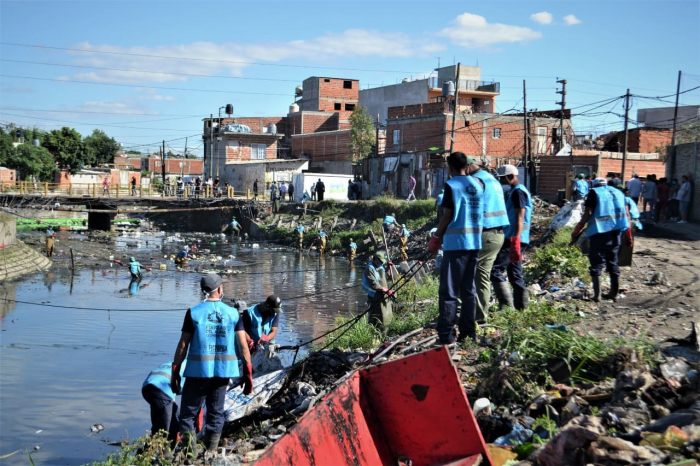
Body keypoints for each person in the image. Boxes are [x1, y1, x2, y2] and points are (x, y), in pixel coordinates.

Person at [171, 274, 253, 454]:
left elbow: (183, 345)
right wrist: (248, 374)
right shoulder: (233, 313)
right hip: (223, 373)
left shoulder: (193, 312)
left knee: (187, 416)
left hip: (197, 373)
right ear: (220, 289)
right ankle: (211, 453)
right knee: (216, 413)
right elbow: (243, 346)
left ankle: (189, 455)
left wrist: (175, 371)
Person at [428, 152, 484, 344]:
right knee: (469, 290)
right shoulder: (479, 184)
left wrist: (436, 238)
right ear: (467, 166)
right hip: (475, 243)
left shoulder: (451, 186)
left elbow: (448, 216)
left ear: (449, 168)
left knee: (449, 292)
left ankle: (446, 336)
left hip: (456, 244)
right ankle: (469, 334)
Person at [571, 178, 630, 302]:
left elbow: (588, 212)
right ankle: (613, 293)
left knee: (596, 263)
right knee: (612, 262)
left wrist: (577, 229)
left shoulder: (594, 192)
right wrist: (628, 234)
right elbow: (627, 213)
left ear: (594, 185)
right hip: (616, 233)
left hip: (599, 233)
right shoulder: (618, 192)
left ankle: (597, 296)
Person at [468, 158, 509, 324]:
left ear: (469, 166)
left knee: (478, 275)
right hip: (498, 234)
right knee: (483, 274)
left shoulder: (476, 181)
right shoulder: (492, 179)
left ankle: (479, 317)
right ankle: (482, 313)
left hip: (485, 232)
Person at [492, 164, 532, 311]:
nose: (501, 181)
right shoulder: (516, 191)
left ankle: (507, 306)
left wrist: (515, 239)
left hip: (513, 238)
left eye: (503, 178)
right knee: (514, 273)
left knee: (496, 270)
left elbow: (520, 217)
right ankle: (521, 308)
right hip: (516, 237)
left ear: (511, 176)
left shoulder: (518, 192)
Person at [142, 359, 186, 443]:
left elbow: (173, 393)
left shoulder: (180, 361)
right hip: (161, 390)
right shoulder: (194, 369)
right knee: (162, 429)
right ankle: (146, 453)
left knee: (174, 420)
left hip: (147, 386)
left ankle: (168, 450)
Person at [361, 251, 394, 329]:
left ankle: (386, 328)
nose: (381, 263)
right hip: (374, 295)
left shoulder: (380, 267)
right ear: (375, 259)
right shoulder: (369, 268)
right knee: (376, 314)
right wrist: (385, 290)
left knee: (386, 312)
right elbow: (373, 284)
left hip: (383, 294)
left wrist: (389, 268)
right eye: (380, 261)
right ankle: (375, 330)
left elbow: (384, 276)